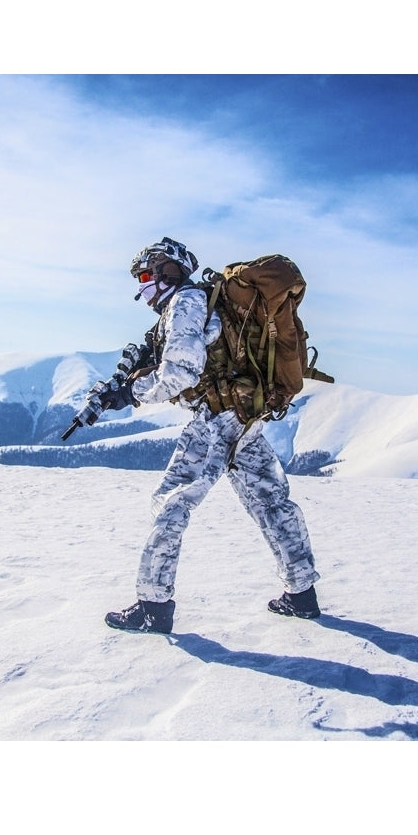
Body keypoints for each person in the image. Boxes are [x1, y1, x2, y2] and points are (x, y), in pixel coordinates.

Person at [103, 237, 321, 635]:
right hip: (245, 416)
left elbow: (182, 371)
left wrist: (129, 393)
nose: (142, 285)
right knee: (271, 501)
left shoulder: (185, 303)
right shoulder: (201, 302)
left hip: (217, 419)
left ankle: (154, 605)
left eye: (147, 274)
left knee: (171, 505)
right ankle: (302, 593)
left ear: (169, 271)